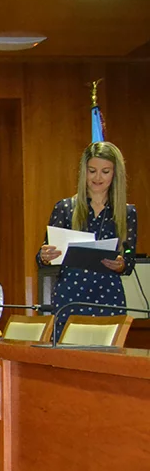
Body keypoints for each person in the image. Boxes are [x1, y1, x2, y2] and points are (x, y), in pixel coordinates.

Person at [38, 141, 137, 340]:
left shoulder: (127, 212)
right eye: (92, 171)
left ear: (115, 173)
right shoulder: (65, 208)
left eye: (105, 171)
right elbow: (43, 260)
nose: (98, 177)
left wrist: (122, 264)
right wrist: (44, 255)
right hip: (71, 295)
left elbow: (129, 257)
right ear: (84, 171)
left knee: (106, 361)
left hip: (108, 296)